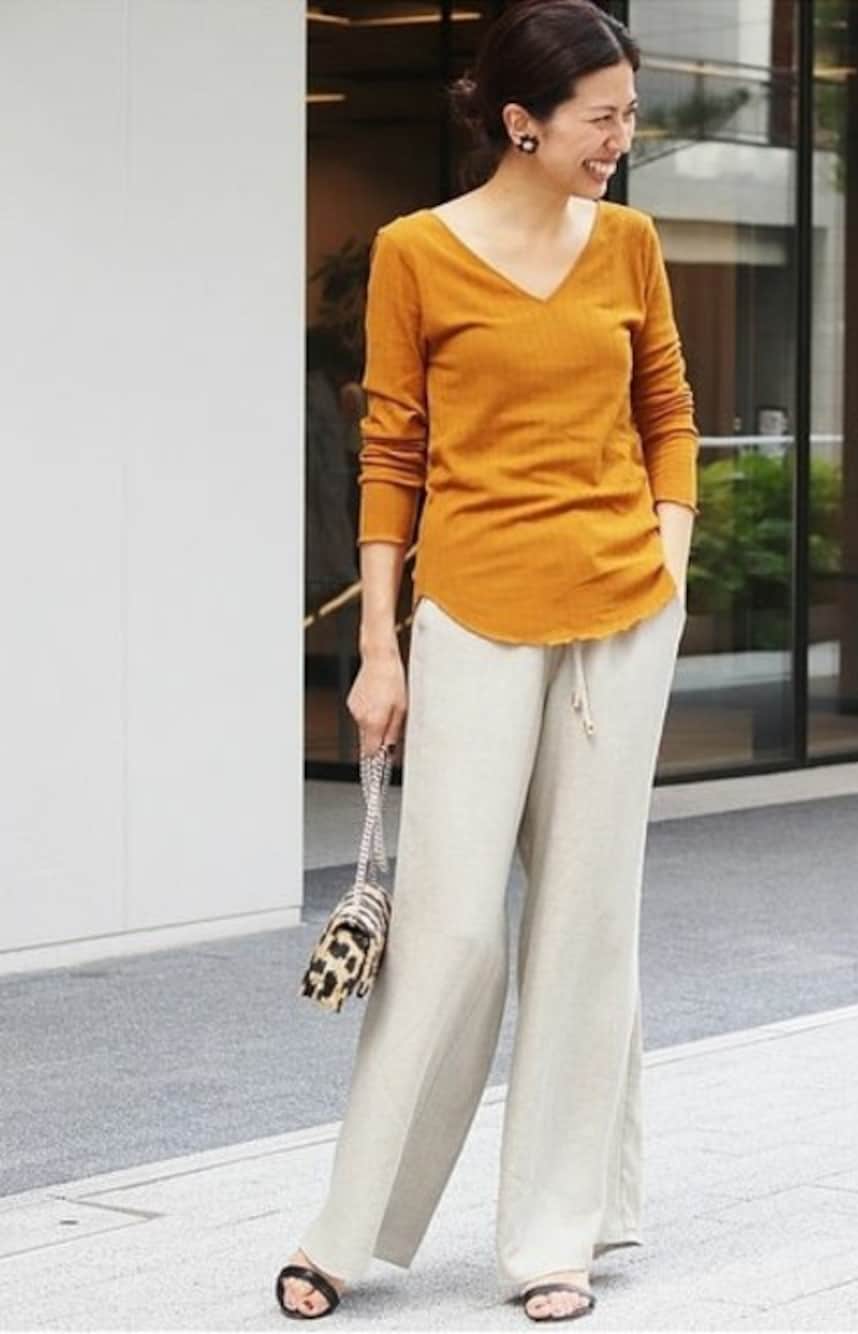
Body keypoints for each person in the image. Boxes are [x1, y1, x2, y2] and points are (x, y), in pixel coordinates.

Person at [275, 0, 699, 1322]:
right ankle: (349, 1231)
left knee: (586, 928)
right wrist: (378, 645)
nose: (623, 139)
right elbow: (391, 455)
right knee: (449, 932)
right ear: (524, 122)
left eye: (630, 114)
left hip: (621, 621)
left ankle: (555, 1237)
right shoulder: (418, 252)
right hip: (469, 616)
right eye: (602, 118)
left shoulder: (628, 244)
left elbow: (670, 415)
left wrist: (670, 569)